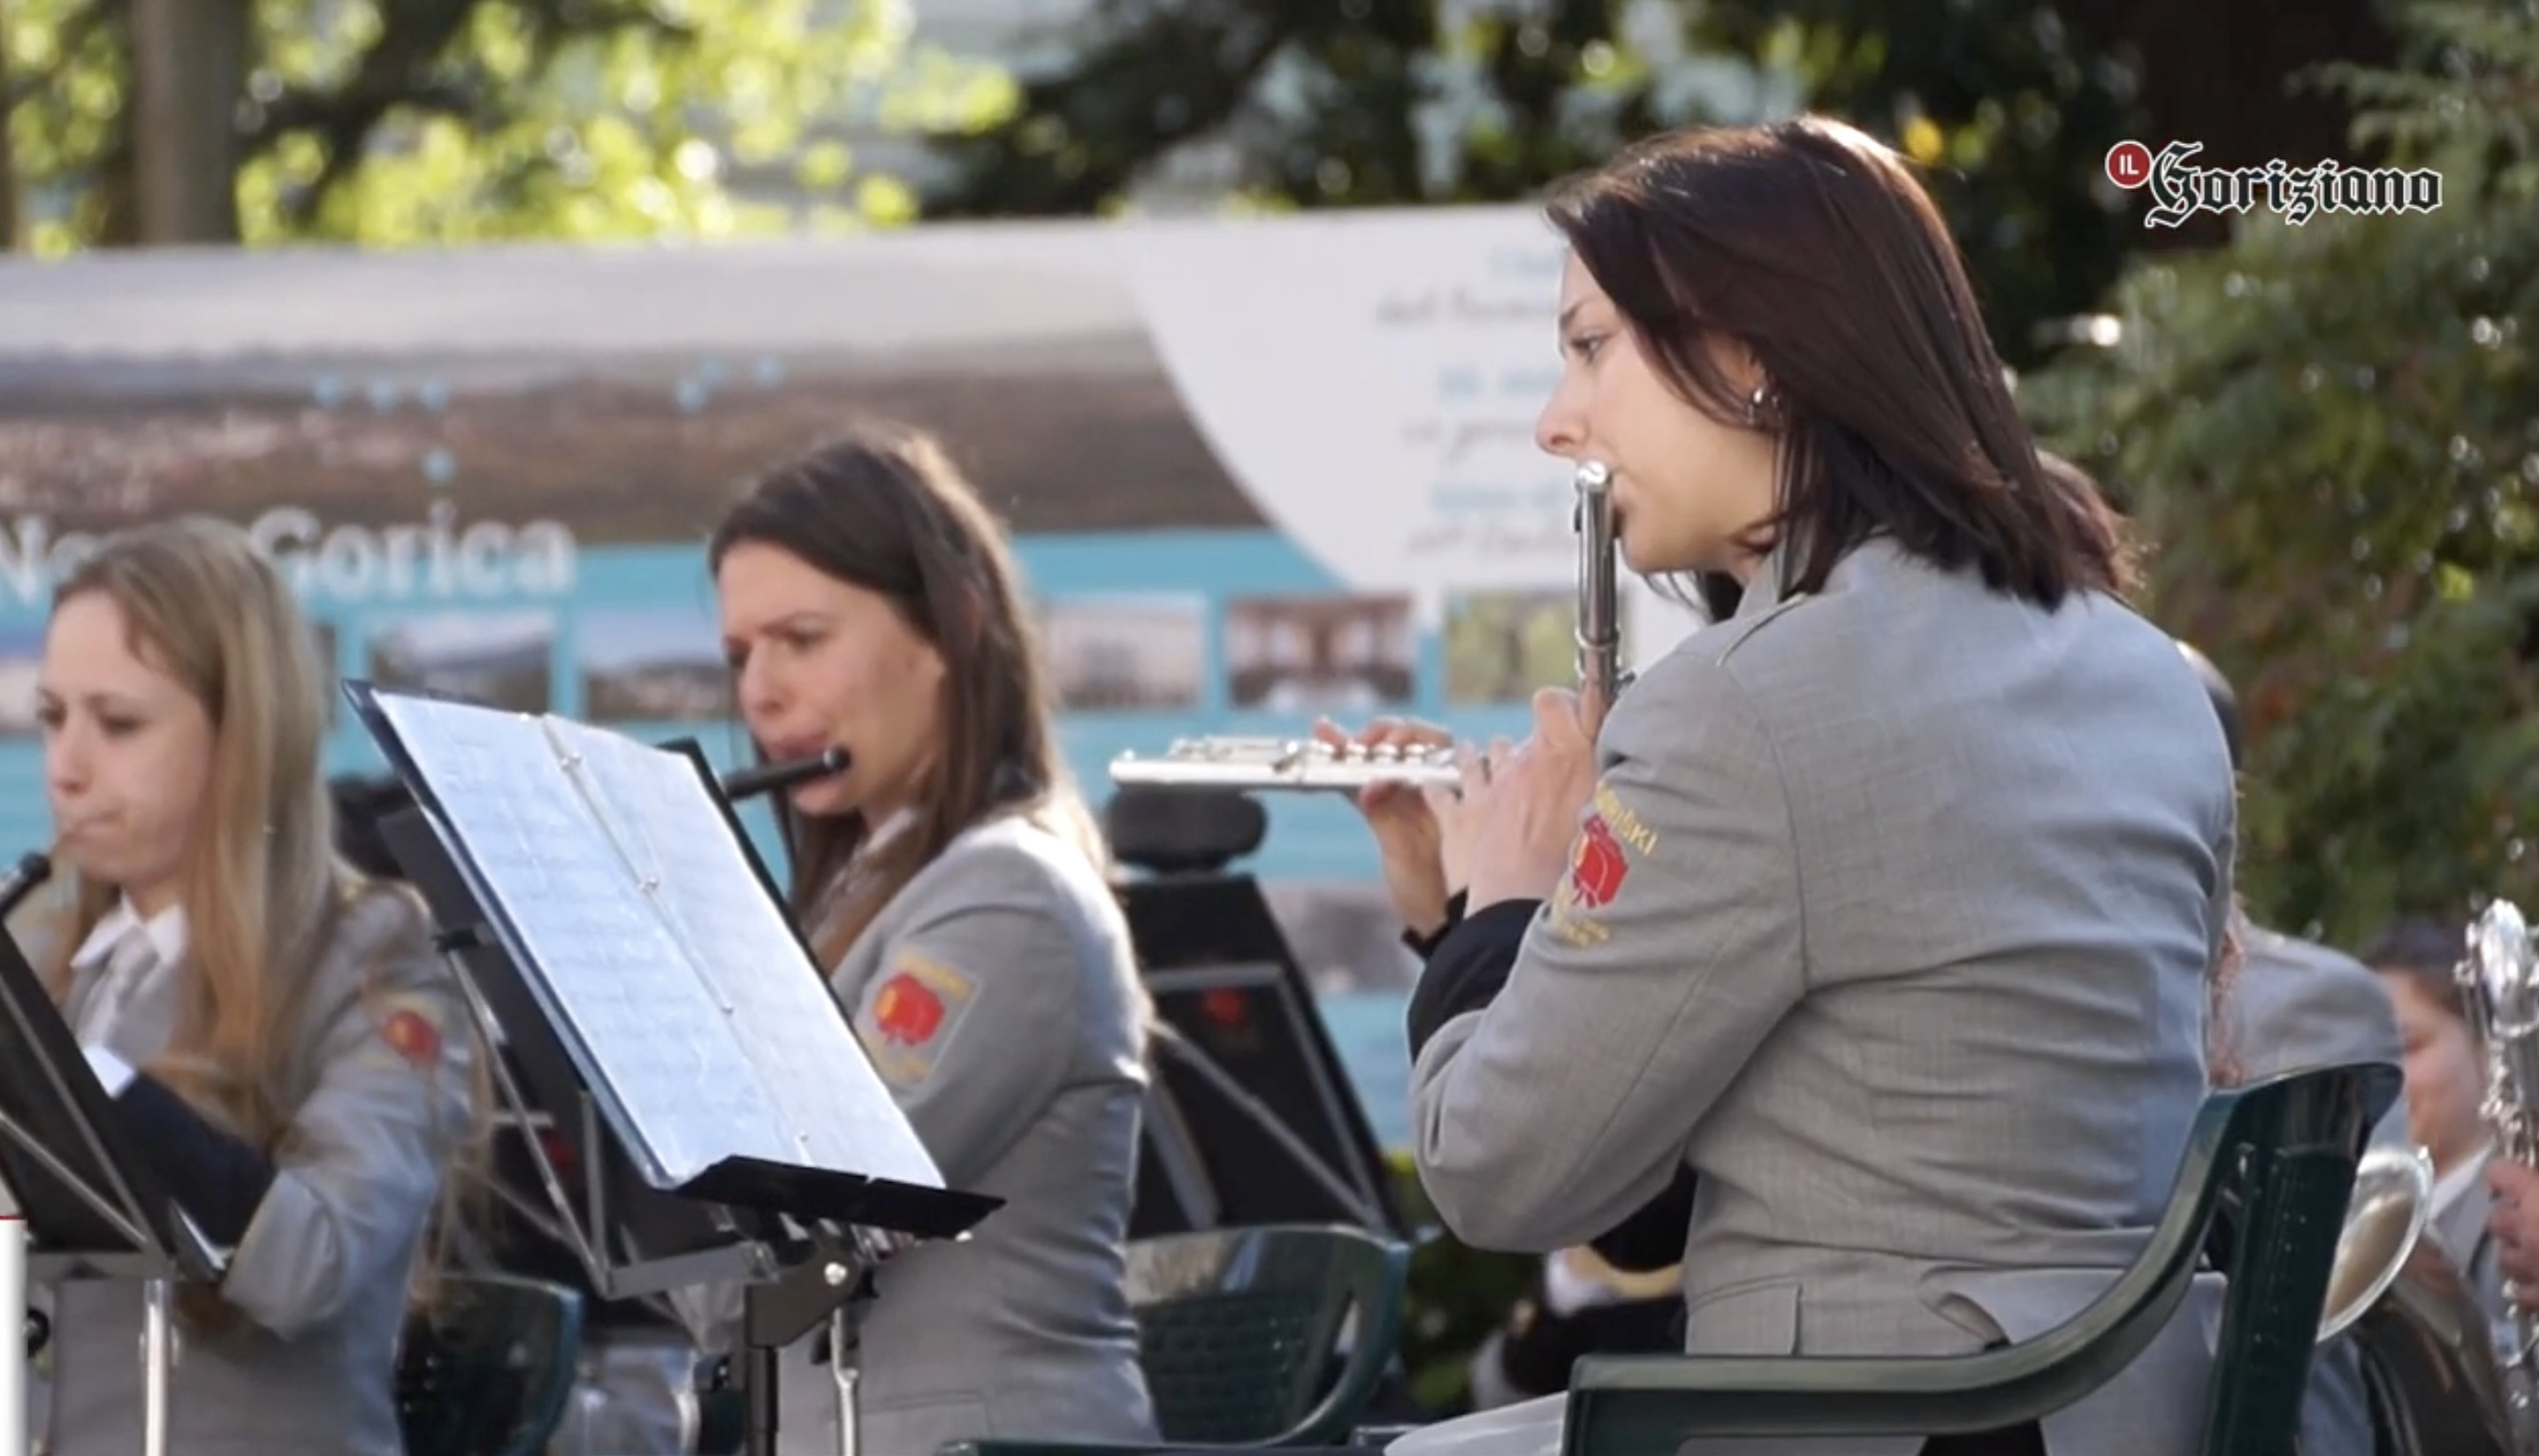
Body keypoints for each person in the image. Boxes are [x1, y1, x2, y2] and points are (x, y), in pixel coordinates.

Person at [1357, 116, 2238, 1456]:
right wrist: (1491, 920)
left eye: (1592, 346)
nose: (1557, 423)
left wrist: (1503, 900)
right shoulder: (2140, 672)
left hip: (1879, 1418)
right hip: (2126, 1411)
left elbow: (1497, 1167)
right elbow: (1644, 1189)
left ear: (1750, 354)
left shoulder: (1747, 707)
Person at [688, 423, 1157, 1454]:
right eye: (740, 654)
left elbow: (783, 1260)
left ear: (949, 630)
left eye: (802, 639)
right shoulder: (864, 892)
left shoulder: (1008, 898)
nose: (760, 692)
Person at [19, 515, 483, 1456]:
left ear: (246, 739)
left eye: (118, 724)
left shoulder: (375, 955)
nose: (67, 768)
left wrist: (85, 1086)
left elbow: (317, 1260)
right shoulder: (43, 956)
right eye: (53, 717)